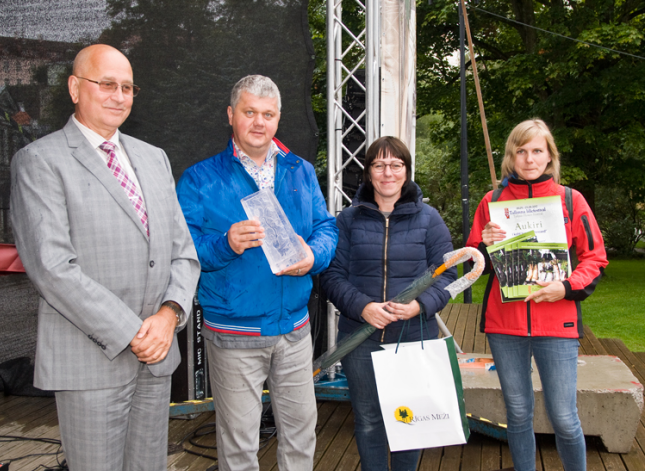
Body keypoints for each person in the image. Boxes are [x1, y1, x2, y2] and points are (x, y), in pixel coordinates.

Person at [9, 44, 200, 471]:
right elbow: (53, 269)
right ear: (76, 88)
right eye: (107, 84)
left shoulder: (154, 159)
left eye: (128, 87)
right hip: (90, 362)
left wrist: (169, 316)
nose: (118, 95)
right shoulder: (40, 162)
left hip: (156, 359)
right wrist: (134, 332)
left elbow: (183, 255)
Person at [176, 75, 338, 471]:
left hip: (295, 331)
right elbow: (181, 249)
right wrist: (225, 244)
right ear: (231, 115)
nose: (259, 122)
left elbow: (326, 227)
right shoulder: (199, 178)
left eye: (268, 114)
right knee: (239, 444)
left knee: (302, 433)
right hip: (234, 333)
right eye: (250, 112)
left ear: (278, 119)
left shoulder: (299, 170)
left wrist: (313, 254)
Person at [466, 119, 608, 471]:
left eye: (537, 151)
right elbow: (472, 262)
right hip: (506, 325)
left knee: (563, 415)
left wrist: (567, 286)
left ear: (549, 157)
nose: (529, 159)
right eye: (521, 151)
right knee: (517, 413)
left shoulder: (571, 200)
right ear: (511, 157)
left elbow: (595, 258)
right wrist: (483, 244)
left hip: (556, 323)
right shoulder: (492, 201)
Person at [320, 136, 456, 471]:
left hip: (413, 338)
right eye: (379, 165)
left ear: (407, 171)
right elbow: (331, 276)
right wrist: (362, 307)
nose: (387, 173)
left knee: (409, 424)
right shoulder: (348, 220)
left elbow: (448, 275)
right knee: (368, 421)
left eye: (396, 165)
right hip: (360, 339)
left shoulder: (429, 219)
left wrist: (419, 305)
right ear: (367, 173)